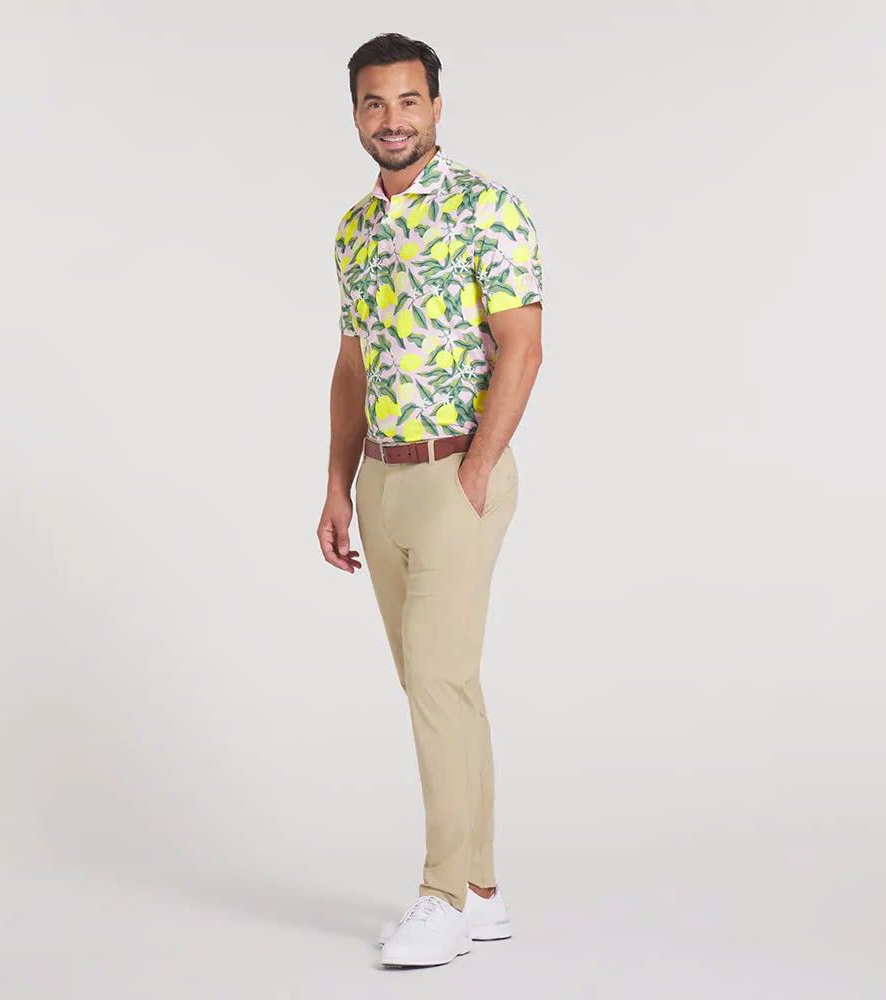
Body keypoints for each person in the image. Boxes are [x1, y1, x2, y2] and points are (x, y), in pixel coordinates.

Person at [317, 32, 544, 969]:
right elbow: (352, 366)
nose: (392, 119)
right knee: (437, 686)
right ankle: (481, 892)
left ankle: (441, 895)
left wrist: (479, 469)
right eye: (374, 103)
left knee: (438, 689)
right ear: (356, 115)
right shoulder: (353, 231)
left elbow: (523, 347)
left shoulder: (488, 208)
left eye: (408, 101)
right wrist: (337, 487)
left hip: (458, 474)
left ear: (437, 107)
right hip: (380, 479)